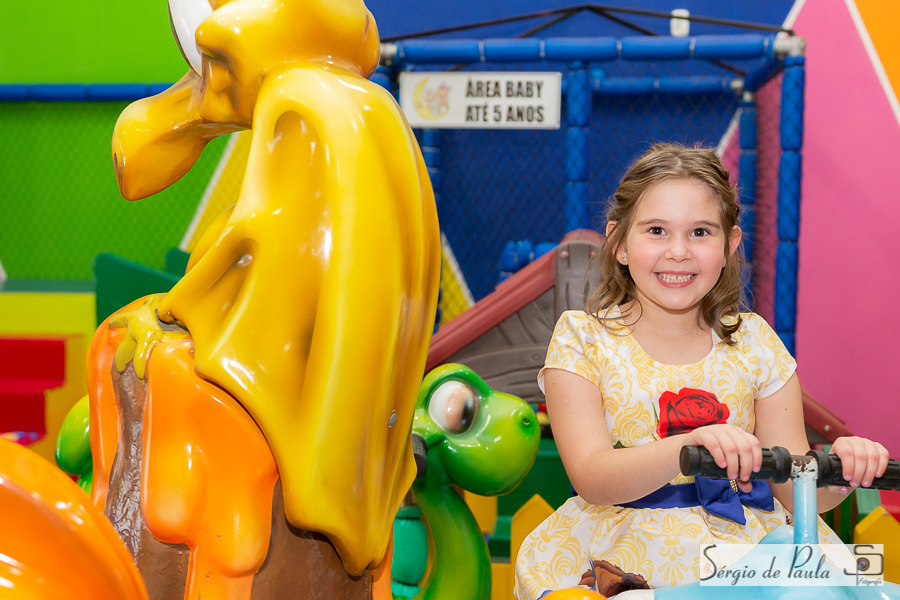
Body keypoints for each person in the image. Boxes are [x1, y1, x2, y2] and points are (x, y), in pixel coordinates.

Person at [514, 143, 889, 599]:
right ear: (619, 244)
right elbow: (592, 476)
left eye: (700, 232)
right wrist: (686, 447)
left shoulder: (753, 342)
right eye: (656, 230)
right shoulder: (584, 340)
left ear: (729, 244)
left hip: (749, 549)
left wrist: (841, 471)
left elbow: (793, 490)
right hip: (632, 551)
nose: (678, 252)